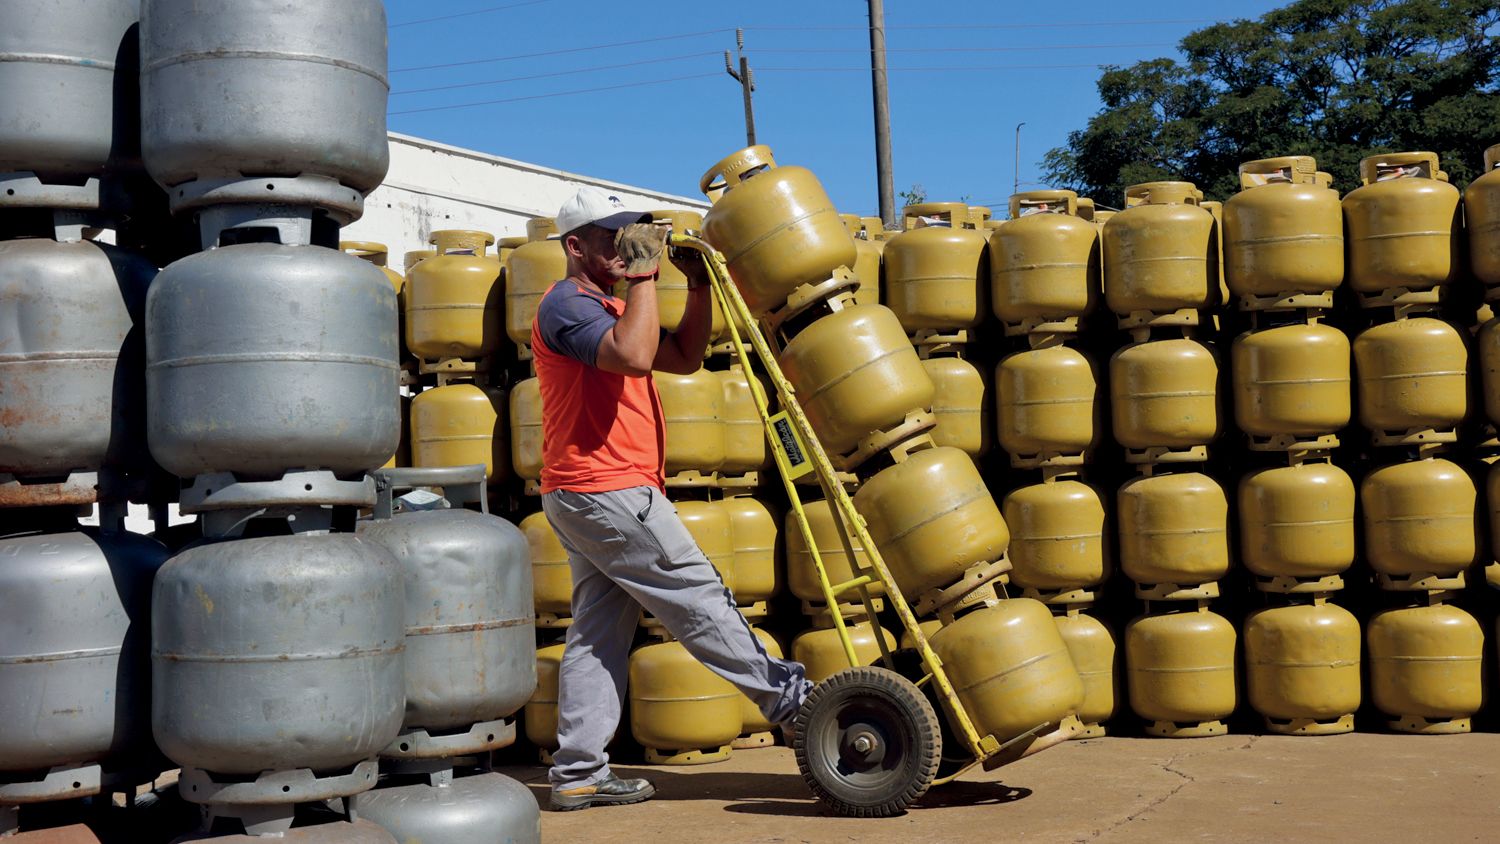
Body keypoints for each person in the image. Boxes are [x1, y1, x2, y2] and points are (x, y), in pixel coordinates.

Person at [533, 187, 812, 812]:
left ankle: (578, 772)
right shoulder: (567, 304)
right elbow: (634, 357)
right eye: (613, 237)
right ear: (576, 246)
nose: (627, 244)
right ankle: (797, 707)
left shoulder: (604, 304)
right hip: (607, 489)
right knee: (697, 597)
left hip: (592, 491)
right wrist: (645, 275)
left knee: (597, 634)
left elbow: (681, 357)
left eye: (633, 233)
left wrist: (697, 288)